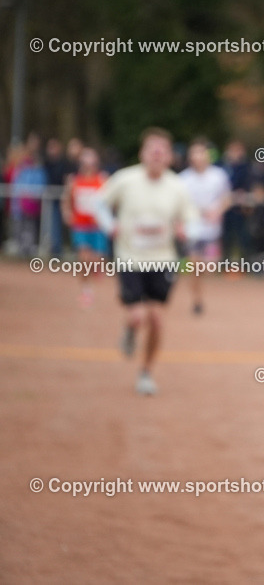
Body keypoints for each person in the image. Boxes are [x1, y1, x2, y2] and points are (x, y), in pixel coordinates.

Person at [95, 127, 194, 396]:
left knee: (157, 320)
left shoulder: (177, 186)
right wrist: (109, 224)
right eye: (153, 150)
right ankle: (129, 330)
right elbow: (99, 203)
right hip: (130, 257)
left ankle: (146, 373)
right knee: (137, 316)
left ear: (170, 157)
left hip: (163, 260)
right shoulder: (125, 179)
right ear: (143, 153)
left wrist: (185, 230)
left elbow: (189, 219)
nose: (157, 155)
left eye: (163, 151)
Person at [178, 137, 231, 315]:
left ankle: (202, 292)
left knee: (209, 267)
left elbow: (227, 198)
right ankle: (197, 300)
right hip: (193, 229)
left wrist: (217, 211)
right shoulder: (183, 179)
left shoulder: (218, 176)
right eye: (195, 152)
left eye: (202, 152)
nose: (198, 156)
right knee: (194, 266)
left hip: (212, 230)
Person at [61, 147, 109, 307]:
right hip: (80, 226)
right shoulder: (74, 181)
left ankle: (97, 268)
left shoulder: (102, 179)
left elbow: (110, 201)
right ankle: (86, 291)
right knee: (83, 259)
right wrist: (67, 213)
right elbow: (66, 200)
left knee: (96, 260)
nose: (87, 165)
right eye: (84, 162)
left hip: (97, 227)